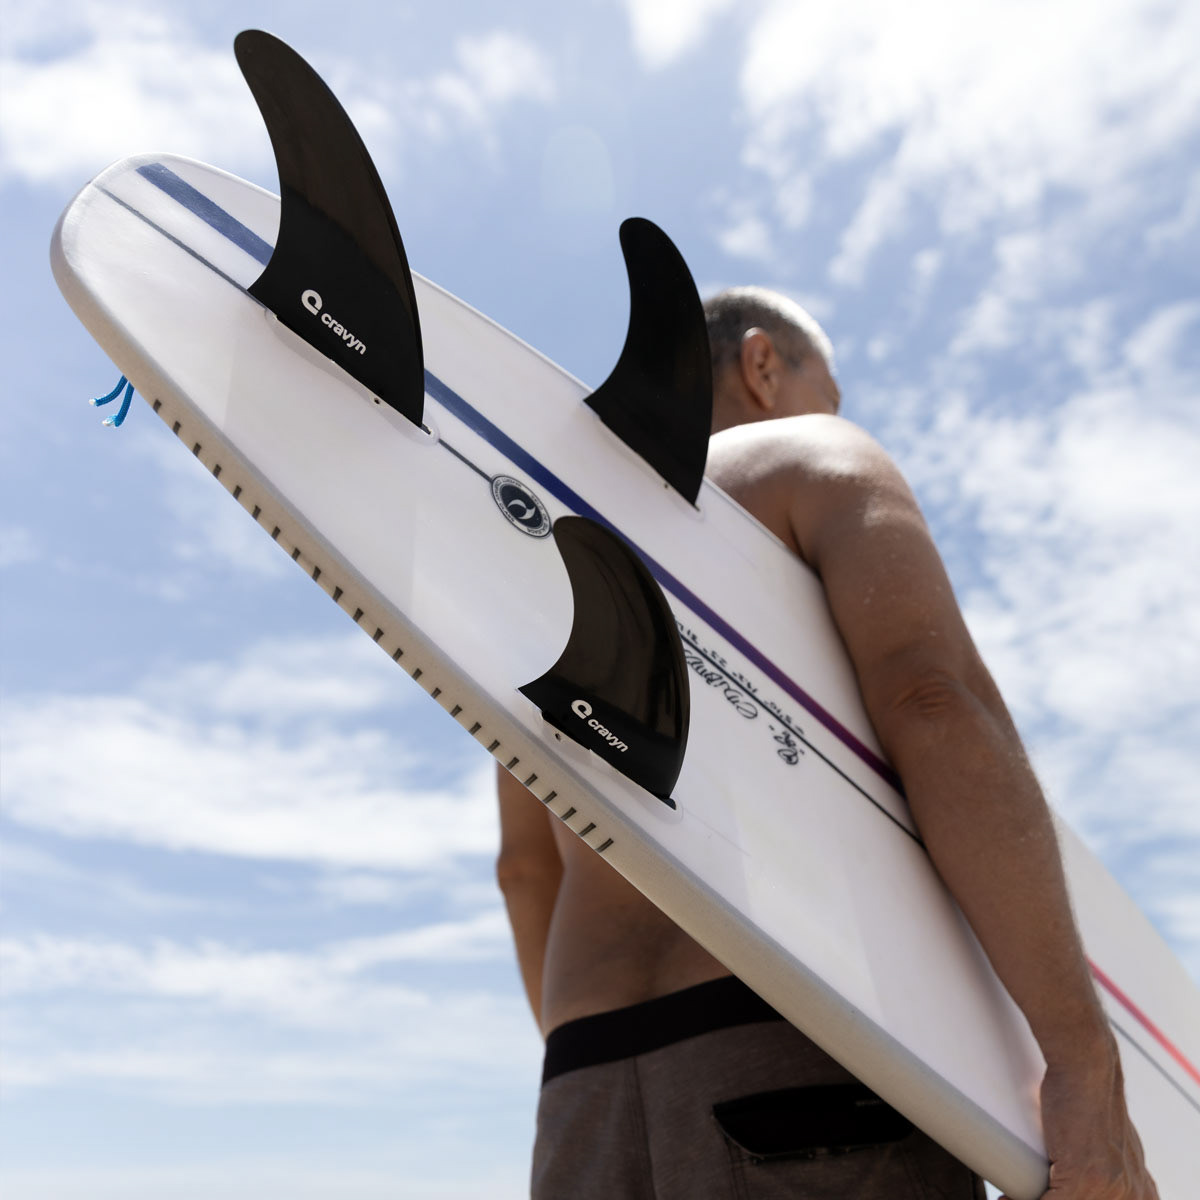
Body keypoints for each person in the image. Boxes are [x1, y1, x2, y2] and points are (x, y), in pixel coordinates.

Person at [496, 286, 1157, 1200]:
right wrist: (1081, 1054)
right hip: (803, 1052)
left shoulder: (553, 566)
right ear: (763, 364)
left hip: (584, 1092)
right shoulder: (804, 459)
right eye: (831, 392)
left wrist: (609, 1079)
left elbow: (526, 871)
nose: (837, 414)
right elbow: (932, 702)